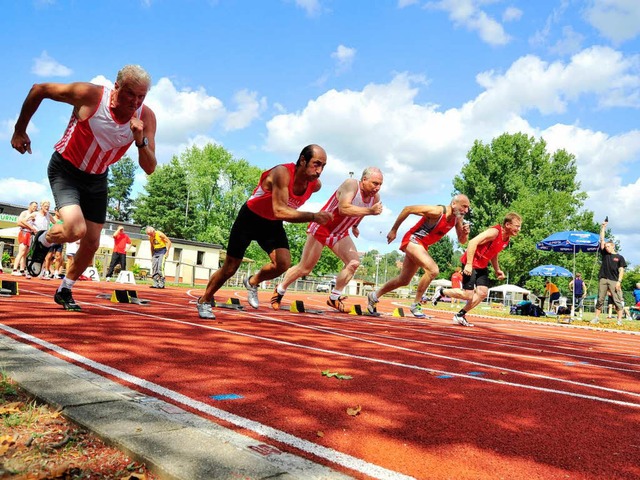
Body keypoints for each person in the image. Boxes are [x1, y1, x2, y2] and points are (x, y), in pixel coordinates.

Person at [11, 65, 156, 311]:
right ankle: (43, 239)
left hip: (97, 178)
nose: (135, 101)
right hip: (66, 169)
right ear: (117, 87)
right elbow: (39, 89)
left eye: (141, 96)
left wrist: (140, 140)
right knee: (75, 229)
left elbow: (150, 167)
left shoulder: (146, 117)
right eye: (130, 94)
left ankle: (65, 289)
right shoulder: (91, 96)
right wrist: (20, 129)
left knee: (91, 243)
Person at [196, 144, 332, 319]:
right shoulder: (282, 173)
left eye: (323, 166)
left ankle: (252, 281)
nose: (319, 170)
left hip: (272, 225)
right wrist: (313, 216)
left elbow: (278, 215)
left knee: (283, 264)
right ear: (303, 160)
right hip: (250, 218)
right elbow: (280, 211)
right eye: (316, 164)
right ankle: (204, 300)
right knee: (230, 268)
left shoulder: (315, 185)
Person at [270, 167, 384, 312]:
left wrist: (355, 225)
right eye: (375, 183)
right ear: (364, 180)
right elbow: (344, 208)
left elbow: (362, 212)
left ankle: (334, 298)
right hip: (322, 227)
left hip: (340, 233)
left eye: (380, 184)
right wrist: (370, 211)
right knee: (305, 268)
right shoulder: (351, 185)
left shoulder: (375, 198)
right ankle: (279, 291)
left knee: (353, 263)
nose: (377, 188)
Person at [367, 194, 471, 318]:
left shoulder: (457, 219)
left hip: (422, 245)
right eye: (464, 206)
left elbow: (462, 241)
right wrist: (394, 230)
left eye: (467, 208)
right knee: (433, 270)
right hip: (412, 240)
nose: (466, 210)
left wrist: (465, 233)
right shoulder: (437, 211)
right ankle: (416, 304)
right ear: (454, 204)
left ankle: (373, 296)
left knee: (404, 280)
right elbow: (407, 209)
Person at [432, 212, 522, 326]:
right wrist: (469, 264)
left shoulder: (506, 239)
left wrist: (497, 269)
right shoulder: (495, 232)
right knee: (468, 295)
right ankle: (441, 291)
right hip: (471, 263)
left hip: (482, 265)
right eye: (517, 226)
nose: (519, 229)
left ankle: (460, 315)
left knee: (483, 293)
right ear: (508, 225)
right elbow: (472, 242)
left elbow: (494, 253)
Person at [591, 220, 626, 325]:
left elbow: (621, 270)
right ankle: (596, 318)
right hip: (603, 278)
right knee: (600, 298)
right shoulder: (605, 254)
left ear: (613, 246)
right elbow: (602, 239)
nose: (606, 248)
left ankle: (619, 320)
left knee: (616, 300)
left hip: (614, 280)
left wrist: (619, 281)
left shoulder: (619, 257)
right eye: (605, 247)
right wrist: (603, 228)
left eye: (608, 246)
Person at [11, 201, 38, 278]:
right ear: (29, 206)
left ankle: (22, 270)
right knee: (21, 252)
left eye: (36, 207)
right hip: (24, 233)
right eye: (34, 206)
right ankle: (15, 269)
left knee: (25, 253)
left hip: (30, 234)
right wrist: (30, 227)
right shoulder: (24, 213)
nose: (35, 208)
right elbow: (19, 223)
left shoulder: (35, 215)